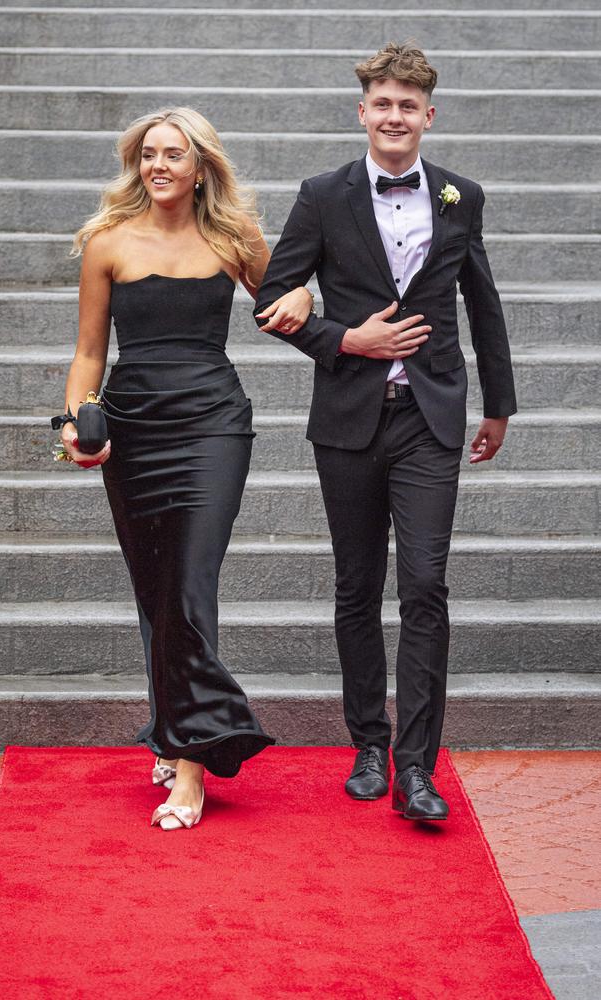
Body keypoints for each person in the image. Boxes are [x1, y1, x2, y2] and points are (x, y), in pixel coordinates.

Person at [255, 44, 516, 821]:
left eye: (409, 105)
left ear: (427, 116)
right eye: (383, 103)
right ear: (362, 112)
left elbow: (484, 302)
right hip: (350, 419)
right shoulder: (321, 195)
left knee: (426, 585)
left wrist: (498, 404)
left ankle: (416, 768)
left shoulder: (460, 196)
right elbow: (272, 297)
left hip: (431, 417)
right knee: (356, 586)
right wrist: (343, 339)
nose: (395, 116)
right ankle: (368, 742)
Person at [56, 107, 314, 830]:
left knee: (190, 586)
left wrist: (307, 300)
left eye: (174, 154)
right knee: (156, 591)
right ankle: (174, 731)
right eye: (148, 154)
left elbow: (289, 307)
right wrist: (79, 421)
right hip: (133, 432)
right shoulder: (107, 243)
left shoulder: (234, 238)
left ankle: (192, 770)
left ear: (202, 166)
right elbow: (87, 355)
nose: (159, 165)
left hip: (212, 427)